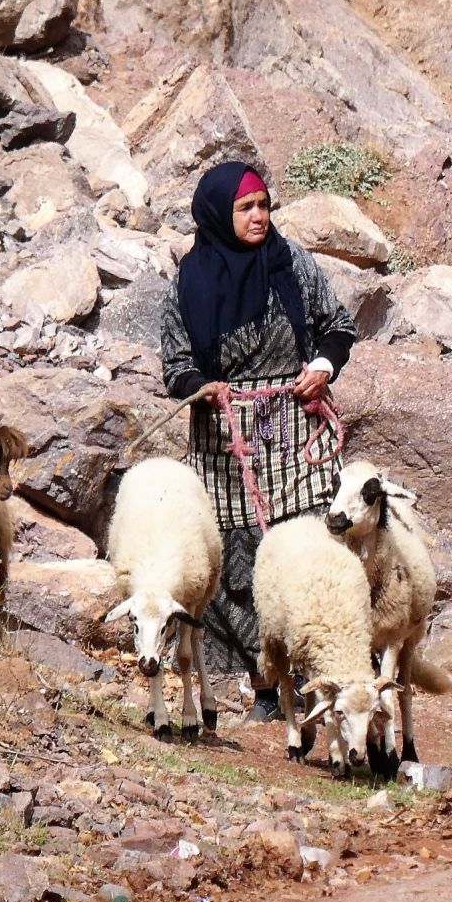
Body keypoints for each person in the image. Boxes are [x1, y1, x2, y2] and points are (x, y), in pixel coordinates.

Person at [159, 160, 357, 722]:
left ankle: (319, 677)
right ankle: (266, 686)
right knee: (234, 559)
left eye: (264, 205)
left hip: (292, 424)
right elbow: (176, 367)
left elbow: (338, 325)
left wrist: (322, 366)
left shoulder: (290, 264)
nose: (259, 218)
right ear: (219, 215)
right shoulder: (188, 284)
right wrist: (203, 387)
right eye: (246, 208)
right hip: (225, 438)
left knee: (308, 545)